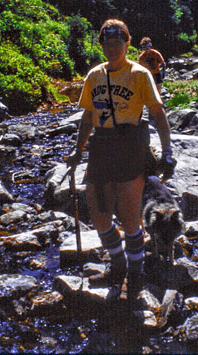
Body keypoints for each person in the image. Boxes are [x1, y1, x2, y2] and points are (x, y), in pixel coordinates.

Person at [67, 19, 175, 301]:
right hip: (101, 148)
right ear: (101, 44)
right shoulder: (94, 75)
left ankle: (135, 273)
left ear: (127, 44)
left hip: (130, 148)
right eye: (107, 43)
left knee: (129, 218)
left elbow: (158, 114)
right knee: (99, 215)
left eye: (118, 43)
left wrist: (168, 152)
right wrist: (78, 149)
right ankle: (118, 265)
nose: (112, 48)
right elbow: (88, 116)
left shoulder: (140, 74)